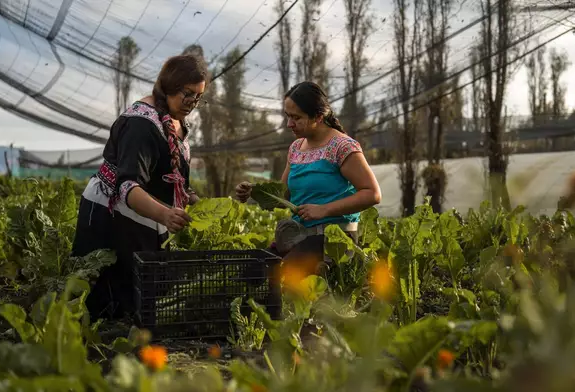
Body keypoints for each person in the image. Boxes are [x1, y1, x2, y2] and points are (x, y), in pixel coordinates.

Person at [71, 54, 208, 321]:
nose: (192, 103)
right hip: (112, 215)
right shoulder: (141, 124)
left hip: (147, 215)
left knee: (144, 295)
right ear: (169, 86)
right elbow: (128, 188)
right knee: (108, 300)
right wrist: (166, 215)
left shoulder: (176, 122)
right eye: (187, 94)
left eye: (199, 97)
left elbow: (176, 179)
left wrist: (196, 201)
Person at [235, 81, 381, 272]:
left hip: (334, 242)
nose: (289, 124)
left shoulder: (342, 147)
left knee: (279, 280)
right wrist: (254, 192)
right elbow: (285, 196)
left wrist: (324, 210)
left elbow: (372, 193)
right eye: (288, 116)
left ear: (318, 117)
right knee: (252, 274)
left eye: (296, 117)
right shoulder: (296, 148)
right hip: (298, 237)